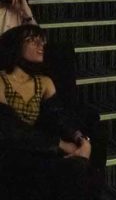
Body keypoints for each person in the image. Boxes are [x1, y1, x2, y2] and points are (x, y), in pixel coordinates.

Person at [0, 25, 93, 200]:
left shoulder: (44, 82)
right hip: (9, 151)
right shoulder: (1, 81)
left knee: (77, 166)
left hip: (38, 149)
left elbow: (60, 118)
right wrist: (61, 145)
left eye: (41, 40)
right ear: (16, 45)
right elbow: (10, 129)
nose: (41, 44)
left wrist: (81, 140)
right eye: (32, 40)